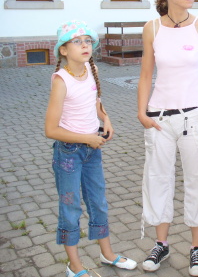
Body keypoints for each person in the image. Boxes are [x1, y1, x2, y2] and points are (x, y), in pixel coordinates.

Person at [137, 0, 198, 276]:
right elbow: (146, 74)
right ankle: (161, 245)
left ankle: (196, 248)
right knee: (158, 179)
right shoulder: (152, 28)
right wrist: (141, 111)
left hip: (195, 116)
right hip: (159, 118)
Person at [45, 20, 137, 277]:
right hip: (69, 154)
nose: (85, 45)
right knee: (71, 207)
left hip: (91, 150)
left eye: (88, 41)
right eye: (77, 41)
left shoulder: (91, 68)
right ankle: (74, 267)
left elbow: (96, 103)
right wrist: (87, 139)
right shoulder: (61, 81)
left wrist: (105, 119)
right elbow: (50, 129)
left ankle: (107, 254)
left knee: (98, 202)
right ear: (63, 50)